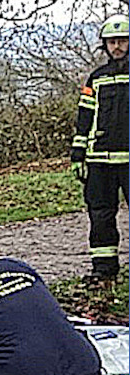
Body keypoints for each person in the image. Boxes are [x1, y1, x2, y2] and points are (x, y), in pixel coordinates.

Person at [70, 14, 129, 279]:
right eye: (112, 42)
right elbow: (84, 119)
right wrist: (78, 155)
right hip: (99, 161)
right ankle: (104, 271)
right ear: (104, 45)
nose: (117, 47)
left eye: (122, 41)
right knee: (100, 216)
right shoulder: (95, 79)